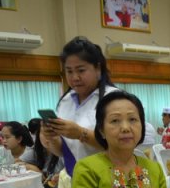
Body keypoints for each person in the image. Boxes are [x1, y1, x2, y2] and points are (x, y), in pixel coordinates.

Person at [41, 36, 118, 176]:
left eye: (81, 70)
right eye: (69, 71)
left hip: (109, 176)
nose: (75, 77)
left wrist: (81, 133)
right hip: (77, 177)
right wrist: (52, 137)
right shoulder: (65, 101)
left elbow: (120, 144)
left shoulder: (114, 99)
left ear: (98, 69)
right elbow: (62, 151)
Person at [22, 118, 64, 188]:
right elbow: (18, 162)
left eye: (53, 133)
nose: (49, 137)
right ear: (38, 135)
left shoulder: (65, 153)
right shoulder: (37, 151)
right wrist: (33, 169)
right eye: (45, 133)